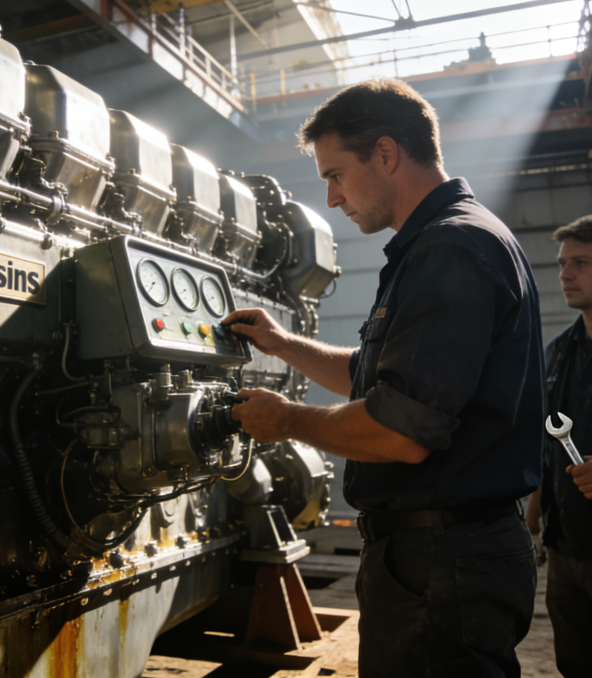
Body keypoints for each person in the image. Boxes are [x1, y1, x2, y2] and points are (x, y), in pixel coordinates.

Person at [226, 78, 543, 677]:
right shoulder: (449, 241)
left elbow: (401, 429)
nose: (331, 199)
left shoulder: (451, 249)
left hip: (442, 561)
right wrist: (281, 342)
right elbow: (376, 377)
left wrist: (285, 420)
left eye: (336, 174)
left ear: (388, 154)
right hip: (439, 557)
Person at [525, 215, 592, 677]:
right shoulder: (557, 353)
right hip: (567, 552)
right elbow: (545, 442)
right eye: (562, 263)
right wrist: (533, 514)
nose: (565, 274)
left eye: (581, 262)